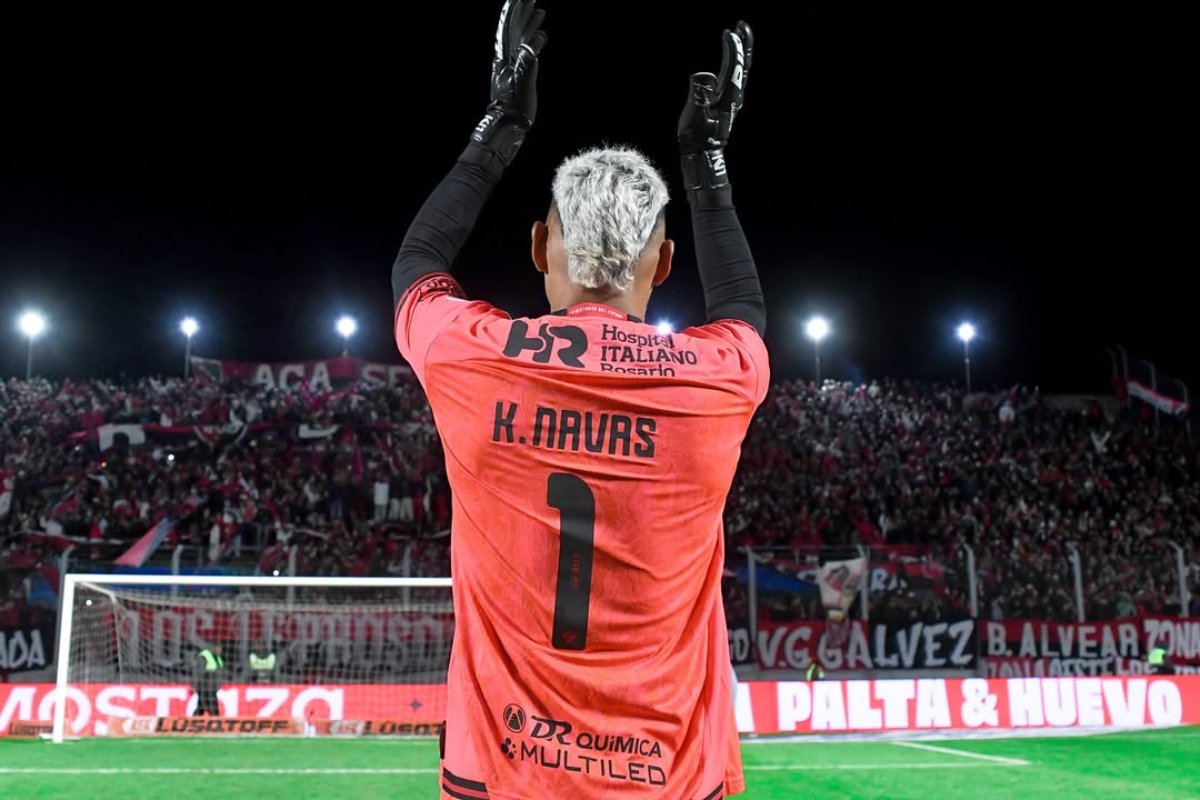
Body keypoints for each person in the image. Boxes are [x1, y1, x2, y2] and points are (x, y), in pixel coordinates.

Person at [391, 3, 764, 797]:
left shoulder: (471, 354)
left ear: (537, 249)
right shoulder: (717, 377)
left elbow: (417, 263)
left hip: (500, 772)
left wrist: (500, 125)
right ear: (664, 263)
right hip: (668, 776)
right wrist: (706, 161)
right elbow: (742, 310)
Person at [193, 643, 225, 716]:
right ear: (213, 647)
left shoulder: (219, 659)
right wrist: (195, 684)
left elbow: (220, 673)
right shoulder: (205, 655)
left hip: (213, 688)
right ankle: (215, 722)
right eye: (218, 648)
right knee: (212, 708)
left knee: (201, 707)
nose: (219, 650)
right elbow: (198, 671)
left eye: (221, 648)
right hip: (204, 687)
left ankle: (193, 722)